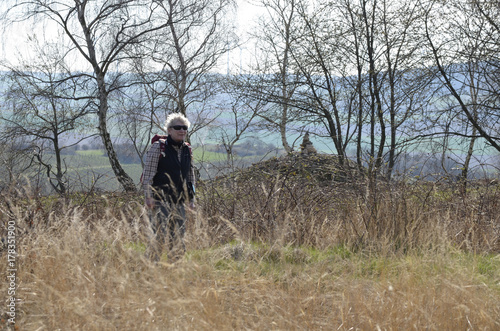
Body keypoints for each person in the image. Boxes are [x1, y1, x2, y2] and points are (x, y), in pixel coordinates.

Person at [142, 113, 196, 262]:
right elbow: (148, 174)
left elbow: (190, 176)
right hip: (160, 200)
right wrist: (148, 196)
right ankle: (152, 269)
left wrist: (191, 199)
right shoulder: (158, 147)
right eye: (177, 127)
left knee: (178, 237)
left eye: (184, 128)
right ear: (169, 130)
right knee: (158, 236)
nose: (182, 130)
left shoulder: (187, 149)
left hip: (179, 202)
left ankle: (175, 269)